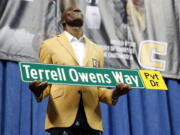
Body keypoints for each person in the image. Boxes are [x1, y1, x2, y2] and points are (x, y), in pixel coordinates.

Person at [29, 7, 131, 135]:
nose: (76, 9)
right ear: (62, 21)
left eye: (78, 11)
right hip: (62, 118)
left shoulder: (97, 50)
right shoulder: (49, 45)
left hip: (91, 121)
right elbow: (44, 81)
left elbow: (99, 88)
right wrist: (38, 91)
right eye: (71, 11)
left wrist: (116, 93)